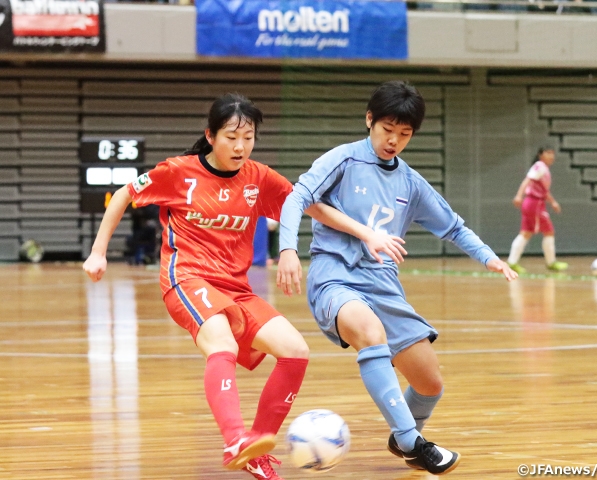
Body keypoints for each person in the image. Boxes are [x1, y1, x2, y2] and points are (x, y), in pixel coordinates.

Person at [82, 93, 402, 480]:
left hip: (237, 287)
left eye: (248, 138)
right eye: (232, 137)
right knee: (223, 344)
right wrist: (99, 253)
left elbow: (311, 205)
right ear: (211, 136)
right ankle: (234, 438)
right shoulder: (178, 172)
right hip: (188, 278)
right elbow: (123, 195)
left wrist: (365, 232)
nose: (240, 146)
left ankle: (256, 446)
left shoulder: (259, 178)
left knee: (295, 351)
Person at [276, 80, 518, 476]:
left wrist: (489, 258)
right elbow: (297, 197)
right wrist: (287, 249)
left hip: (384, 286)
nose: (394, 141)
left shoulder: (409, 182)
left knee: (429, 384)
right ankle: (412, 441)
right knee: (370, 333)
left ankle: (403, 439)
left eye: (404, 134)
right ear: (369, 120)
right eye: (387, 130)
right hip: (335, 277)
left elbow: (454, 227)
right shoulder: (343, 160)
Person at [507, 147, 568, 274]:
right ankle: (551, 263)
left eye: (553, 153)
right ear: (540, 155)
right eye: (548, 153)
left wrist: (553, 202)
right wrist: (519, 195)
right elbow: (527, 181)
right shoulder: (539, 166)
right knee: (548, 231)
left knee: (526, 233)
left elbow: (544, 191)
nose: (551, 156)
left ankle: (512, 262)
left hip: (535, 203)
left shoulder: (544, 169)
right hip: (534, 204)